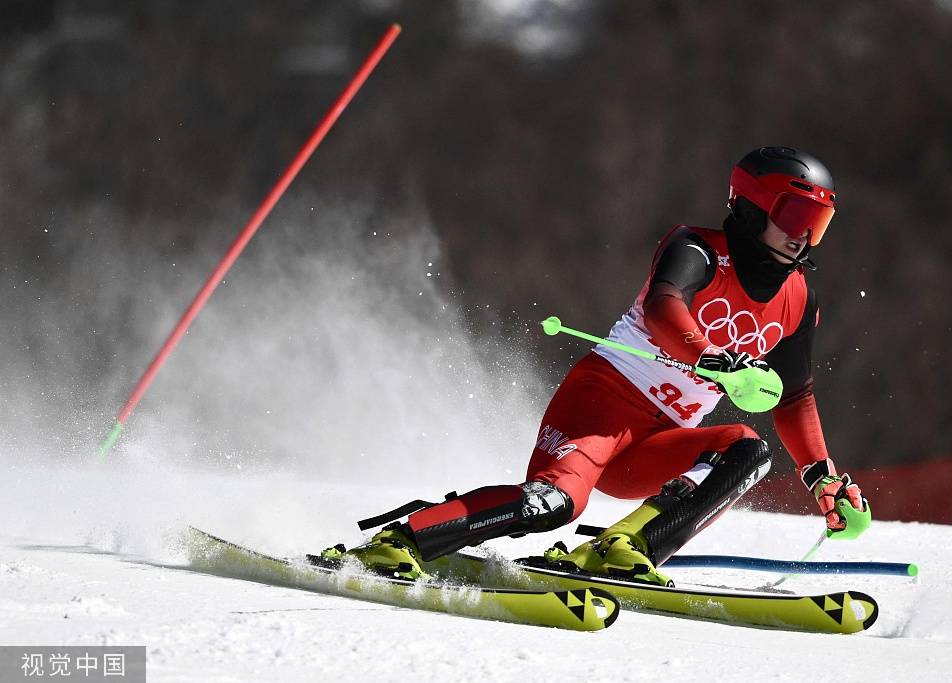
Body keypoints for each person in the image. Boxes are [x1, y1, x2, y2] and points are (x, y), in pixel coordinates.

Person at [319, 146, 870, 585]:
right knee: (554, 503)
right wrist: (709, 355)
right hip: (601, 405)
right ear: (752, 208)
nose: (804, 235)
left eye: (818, 223)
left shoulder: (800, 298)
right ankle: (403, 540)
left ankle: (624, 547)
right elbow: (663, 307)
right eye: (795, 214)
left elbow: (796, 398)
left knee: (748, 449)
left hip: (659, 440)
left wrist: (822, 479)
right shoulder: (699, 249)